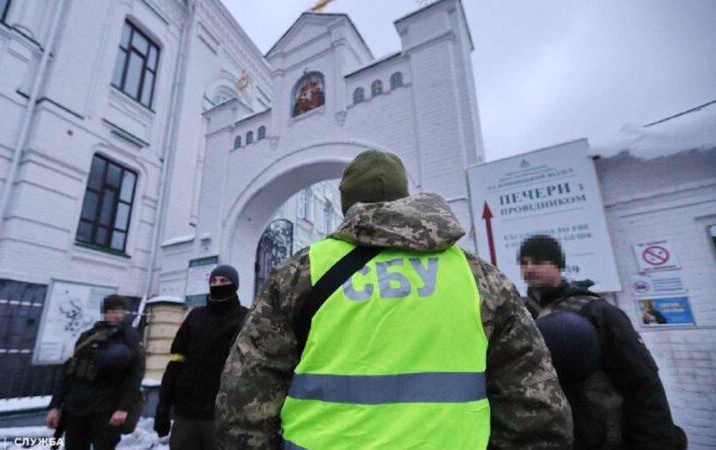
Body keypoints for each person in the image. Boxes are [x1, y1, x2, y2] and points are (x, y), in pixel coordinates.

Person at [216, 150, 572, 449]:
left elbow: (245, 394)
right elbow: (535, 402)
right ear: (403, 197)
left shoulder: (301, 273)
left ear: (347, 205)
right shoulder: (479, 278)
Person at [518, 234, 679, 450]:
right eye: (524, 263)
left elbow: (642, 385)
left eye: (537, 262)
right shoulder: (520, 314)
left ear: (559, 265)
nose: (529, 269)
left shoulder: (598, 312)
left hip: (598, 437)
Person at [154, 265, 249, 450]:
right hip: (186, 412)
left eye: (224, 281)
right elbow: (176, 363)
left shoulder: (244, 318)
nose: (217, 284)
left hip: (221, 414)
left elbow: (250, 369)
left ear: (234, 285)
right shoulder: (196, 316)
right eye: (213, 281)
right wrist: (163, 406)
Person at [45, 294, 144, 450]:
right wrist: (55, 405)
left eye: (121, 311)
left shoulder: (129, 337)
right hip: (76, 407)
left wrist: (123, 408)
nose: (118, 315)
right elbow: (69, 371)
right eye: (112, 311)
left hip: (106, 409)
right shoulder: (87, 336)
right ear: (104, 312)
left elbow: (135, 374)